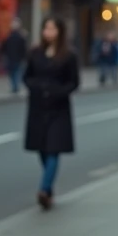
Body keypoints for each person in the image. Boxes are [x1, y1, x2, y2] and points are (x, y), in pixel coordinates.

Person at [23, 17, 80, 210]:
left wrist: (59, 92)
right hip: (38, 108)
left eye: (52, 28)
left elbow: (74, 82)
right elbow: (27, 77)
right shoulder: (35, 53)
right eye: (46, 28)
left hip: (58, 108)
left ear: (60, 31)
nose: (48, 32)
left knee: (53, 148)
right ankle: (49, 190)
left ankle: (43, 189)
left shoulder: (69, 55)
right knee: (42, 149)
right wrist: (36, 88)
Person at [0, 18, 28, 94]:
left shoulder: (11, 36)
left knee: (14, 72)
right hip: (15, 57)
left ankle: (15, 86)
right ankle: (15, 86)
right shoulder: (16, 36)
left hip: (13, 57)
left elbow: (3, 47)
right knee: (15, 72)